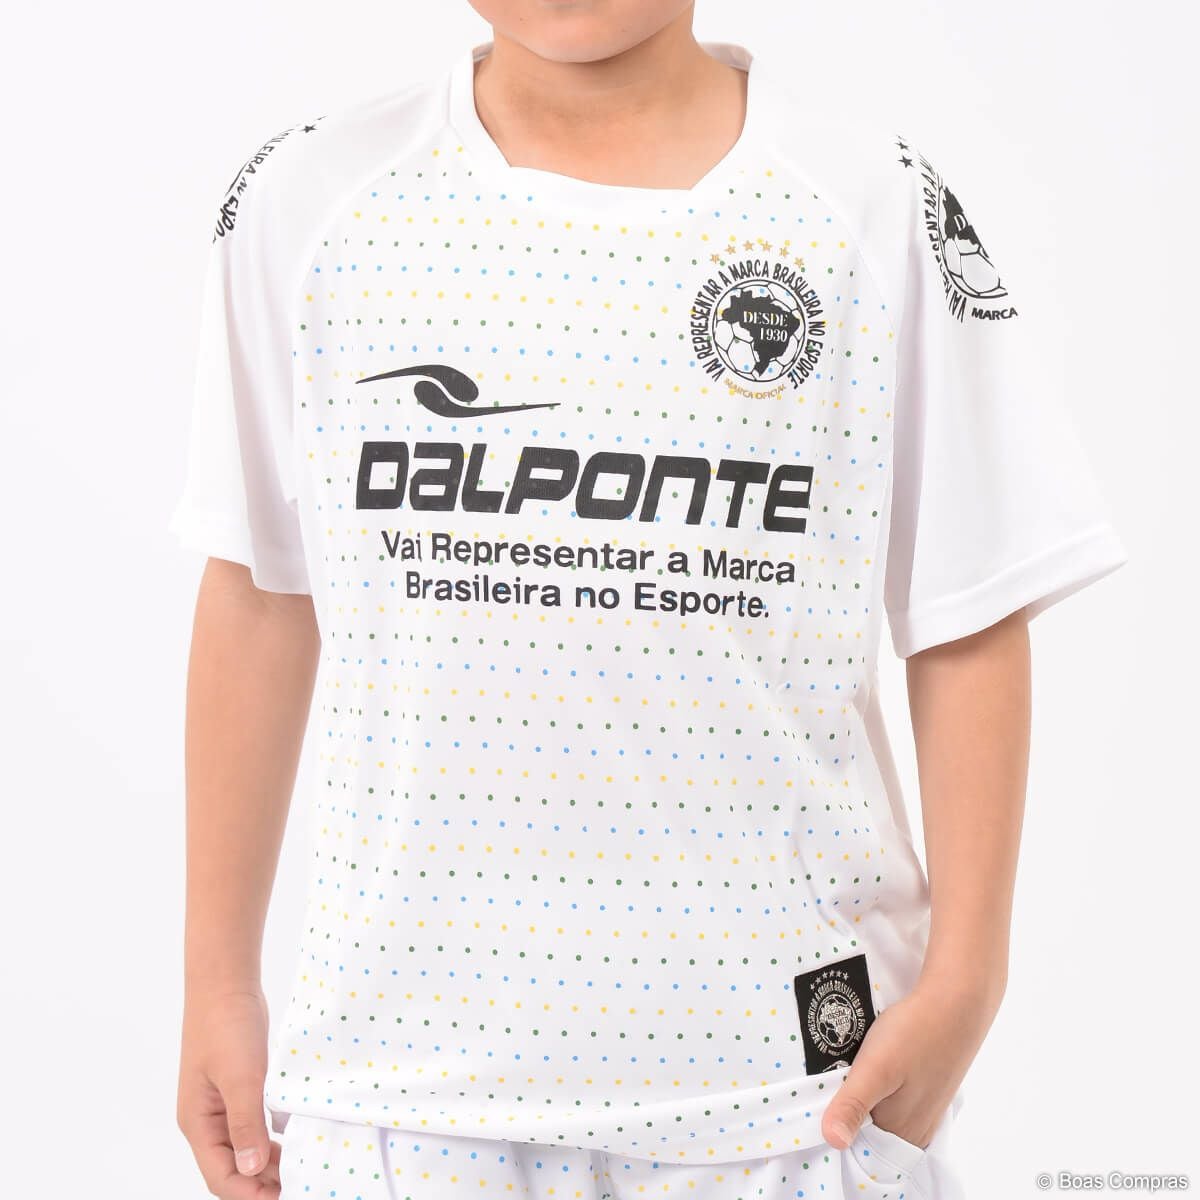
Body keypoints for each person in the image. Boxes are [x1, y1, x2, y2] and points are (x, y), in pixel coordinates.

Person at [168, 3, 1129, 1197]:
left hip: (792, 1099)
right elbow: (261, 591)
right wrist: (217, 980)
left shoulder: (869, 204)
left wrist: (969, 978)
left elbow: (968, 606)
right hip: (397, 1091)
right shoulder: (310, 201)